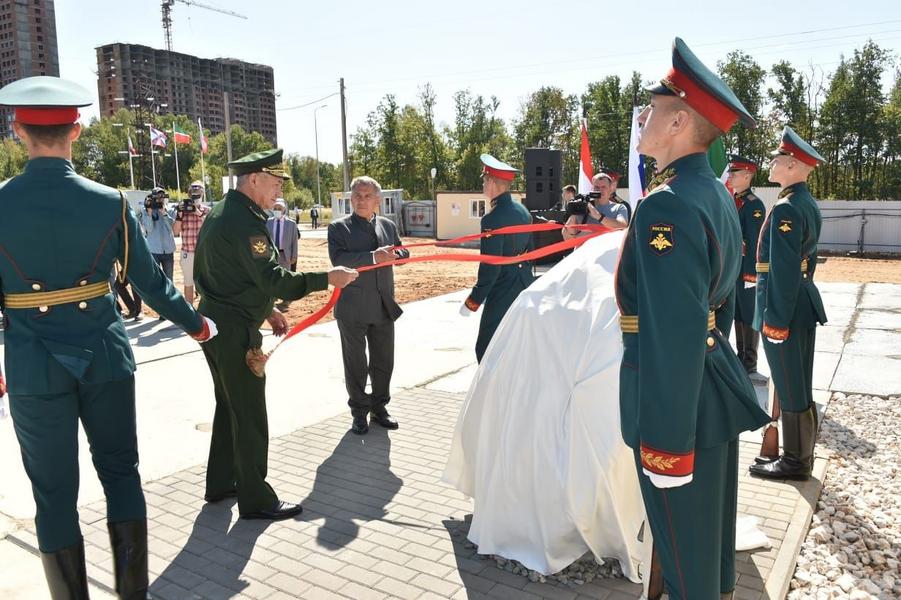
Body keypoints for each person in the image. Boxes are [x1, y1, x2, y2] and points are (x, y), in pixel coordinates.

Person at [0, 76, 216, 600]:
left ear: (16, 130)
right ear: (76, 129)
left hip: (32, 364)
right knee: (121, 474)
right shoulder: (109, 201)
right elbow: (150, 281)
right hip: (104, 357)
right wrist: (197, 324)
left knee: (53, 496)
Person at [615, 38, 769, 599]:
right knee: (705, 548)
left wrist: (668, 440)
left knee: (684, 556)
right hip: (709, 388)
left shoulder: (669, 204)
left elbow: (673, 330)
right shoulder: (712, 195)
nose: (643, 120)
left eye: (652, 111)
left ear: (680, 120)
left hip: (678, 407)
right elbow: (716, 308)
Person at [194, 148, 358, 520]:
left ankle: (221, 482)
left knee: (229, 405)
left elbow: (228, 273)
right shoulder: (246, 222)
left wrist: (266, 310)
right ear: (254, 179)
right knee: (249, 412)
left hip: (214, 324)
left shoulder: (223, 211)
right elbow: (273, 278)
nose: (279, 191)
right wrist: (327, 278)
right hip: (235, 331)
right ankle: (256, 499)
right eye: (275, 182)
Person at [748, 126, 827, 482]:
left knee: (792, 383)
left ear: (794, 166)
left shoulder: (787, 209)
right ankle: (798, 456)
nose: (773, 163)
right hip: (801, 302)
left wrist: (775, 319)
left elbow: (781, 271)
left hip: (787, 307)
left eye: (778, 159)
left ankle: (796, 463)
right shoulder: (804, 202)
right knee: (798, 380)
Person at [328, 176, 410, 435]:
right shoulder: (338, 228)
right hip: (353, 308)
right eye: (357, 196)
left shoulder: (387, 225)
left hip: (383, 305)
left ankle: (379, 407)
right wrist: (374, 257)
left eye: (367, 196)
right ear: (350, 199)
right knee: (356, 364)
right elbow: (339, 259)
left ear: (378, 200)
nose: (361, 200)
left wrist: (400, 255)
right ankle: (359, 412)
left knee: (383, 361)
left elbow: (399, 250)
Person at [460, 154, 534, 362]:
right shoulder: (522, 211)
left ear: (492, 182)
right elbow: (530, 252)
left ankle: (493, 394)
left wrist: (473, 301)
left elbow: (491, 267)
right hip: (523, 283)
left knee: (487, 348)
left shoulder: (493, 218)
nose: (483, 185)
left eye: (484, 180)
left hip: (503, 288)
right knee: (516, 346)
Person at [725, 155, 767, 383]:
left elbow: (754, 242)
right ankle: (741, 357)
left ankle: (749, 363)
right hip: (734, 269)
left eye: (734, 173)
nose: (730, 176)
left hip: (746, 271)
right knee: (738, 315)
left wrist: (751, 274)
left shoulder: (753, 204)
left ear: (748, 175)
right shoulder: (734, 201)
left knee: (749, 316)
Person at [561, 171, 629, 241]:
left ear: (610, 189)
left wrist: (598, 216)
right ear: (592, 189)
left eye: (603, 187)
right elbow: (567, 238)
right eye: (596, 187)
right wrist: (575, 211)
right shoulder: (583, 206)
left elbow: (622, 226)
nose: (600, 190)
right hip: (584, 250)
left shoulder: (619, 208)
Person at [173, 180, 209, 304]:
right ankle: (190, 314)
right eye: (193, 191)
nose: (195, 194)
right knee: (188, 283)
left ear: (202, 193)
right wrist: (179, 215)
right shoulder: (183, 210)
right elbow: (175, 231)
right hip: (188, 252)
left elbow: (210, 227)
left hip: (202, 253)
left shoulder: (207, 210)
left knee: (205, 284)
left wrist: (198, 213)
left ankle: (205, 313)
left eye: (198, 191)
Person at [137, 187, 177, 283]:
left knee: (169, 279)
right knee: (155, 279)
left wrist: (164, 213)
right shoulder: (145, 211)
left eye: (162, 196)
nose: (160, 199)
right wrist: (149, 213)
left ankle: (168, 298)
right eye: (158, 197)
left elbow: (172, 228)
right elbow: (149, 229)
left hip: (168, 250)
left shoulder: (169, 209)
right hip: (154, 250)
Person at [266, 198, 298, 272]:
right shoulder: (267, 222)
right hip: (272, 255)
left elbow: (294, 241)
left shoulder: (291, 224)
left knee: (285, 278)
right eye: (275, 208)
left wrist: (294, 256)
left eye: (279, 208)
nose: (277, 210)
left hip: (285, 255)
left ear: (284, 210)